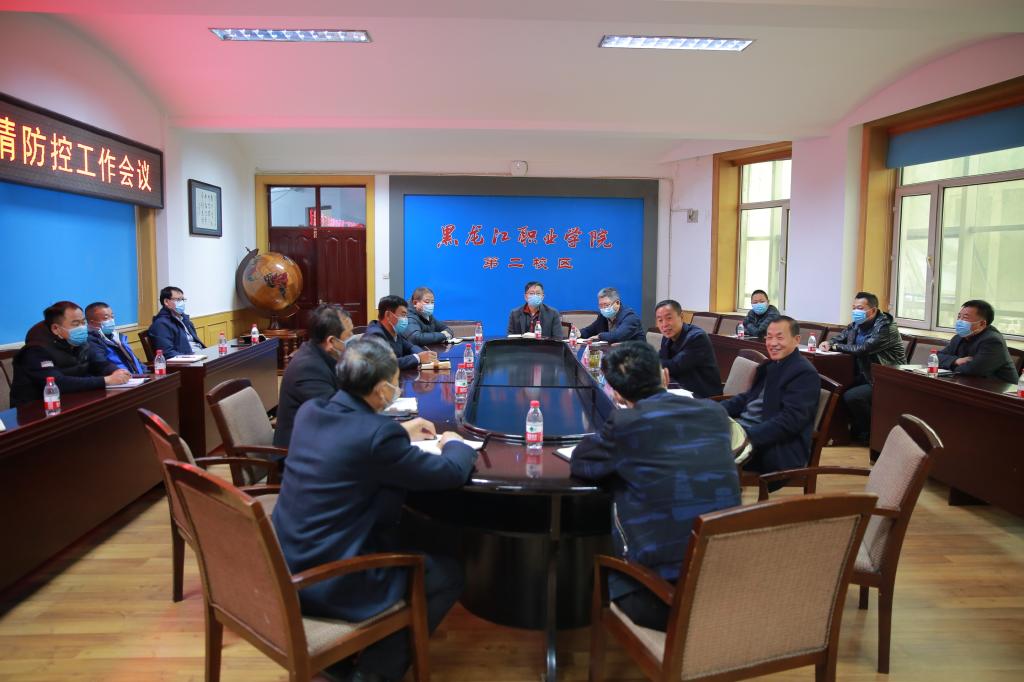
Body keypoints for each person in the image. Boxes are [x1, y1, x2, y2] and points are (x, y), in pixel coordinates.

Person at [272, 337, 477, 682]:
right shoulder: (376, 436)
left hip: (286, 563)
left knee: (412, 527)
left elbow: (354, 441)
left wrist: (399, 430)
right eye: (395, 382)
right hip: (330, 580)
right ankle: (373, 672)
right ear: (382, 390)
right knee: (448, 575)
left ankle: (338, 659)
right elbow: (449, 473)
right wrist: (456, 443)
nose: (396, 389)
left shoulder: (312, 412)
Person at [570, 341, 739, 631]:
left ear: (617, 394)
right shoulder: (714, 413)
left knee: (603, 518)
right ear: (664, 375)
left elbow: (581, 462)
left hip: (661, 599)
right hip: (725, 583)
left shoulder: (626, 422)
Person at [721, 316, 820, 477]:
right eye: (769, 337)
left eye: (780, 338)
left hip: (772, 448)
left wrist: (747, 437)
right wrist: (713, 409)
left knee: (703, 451)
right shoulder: (771, 365)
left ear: (796, 340)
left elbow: (791, 420)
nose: (773, 343)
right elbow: (748, 398)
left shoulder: (804, 373)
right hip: (745, 431)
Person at [819, 291, 905, 443]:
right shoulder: (856, 324)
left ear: (872, 310)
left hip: (884, 379)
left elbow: (863, 348)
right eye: (854, 307)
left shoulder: (886, 327)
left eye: (859, 308)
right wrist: (829, 342)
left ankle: (873, 434)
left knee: (853, 396)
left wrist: (835, 347)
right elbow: (841, 337)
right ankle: (841, 434)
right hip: (864, 375)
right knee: (835, 388)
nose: (855, 311)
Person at [11, 301, 131, 406]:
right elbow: (58, 383)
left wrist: (116, 371)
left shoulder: (80, 342)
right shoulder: (36, 350)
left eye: (83, 322)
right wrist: (106, 380)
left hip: (73, 400)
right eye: (76, 324)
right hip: (36, 409)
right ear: (55, 328)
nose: (82, 328)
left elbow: (98, 363)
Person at [273, 304, 354, 449]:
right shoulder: (308, 368)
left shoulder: (325, 355)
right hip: (299, 453)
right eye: (349, 335)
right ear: (331, 342)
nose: (352, 338)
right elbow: (336, 416)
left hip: (321, 438)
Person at [936, 300, 1018, 383]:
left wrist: (949, 365)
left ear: (982, 324)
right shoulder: (960, 336)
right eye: (959, 317)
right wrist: (956, 361)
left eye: (965, 318)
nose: (959, 321)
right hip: (968, 383)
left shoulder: (993, 341)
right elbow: (936, 358)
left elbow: (972, 371)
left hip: (999, 388)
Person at [654, 299, 723, 398]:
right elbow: (661, 360)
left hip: (703, 395)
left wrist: (647, 363)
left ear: (681, 317)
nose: (664, 324)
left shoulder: (697, 337)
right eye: (660, 320)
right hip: (679, 389)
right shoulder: (667, 337)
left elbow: (674, 366)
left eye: (669, 318)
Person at [364, 295, 437, 370]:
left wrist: (425, 355)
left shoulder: (394, 331)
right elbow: (385, 364)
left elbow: (410, 347)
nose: (405, 319)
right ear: (388, 315)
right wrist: (418, 358)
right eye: (403, 315)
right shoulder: (374, 335)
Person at [85, 301, 146, 375]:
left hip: (139, 377)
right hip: (122, 379)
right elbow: (102, 366)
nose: (111, 320)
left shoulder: (117, 337)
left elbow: (134, 360)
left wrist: (146, 372)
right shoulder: (91, 341)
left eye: (112, 317)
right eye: (106, 318)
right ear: (92, 322)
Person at [148, 286, 205, 358]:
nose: (181, 303)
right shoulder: (161, 324)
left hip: (199, 354)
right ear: (166, 302)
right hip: (187, 360)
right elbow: (168, 353)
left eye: (182, 299)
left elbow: (195, 342)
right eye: (178, 300)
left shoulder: (184, 319)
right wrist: (190, 358)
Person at [579, 287, 645, 342]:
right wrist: (578, 333)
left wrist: (599, 336)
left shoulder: (630, 317)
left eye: (606, 305)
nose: (603, 309)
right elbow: (589, 331)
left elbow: (618, 336)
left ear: (617, 303)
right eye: (600, 305)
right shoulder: (602, 317)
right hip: (614, 352)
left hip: (635, 352)